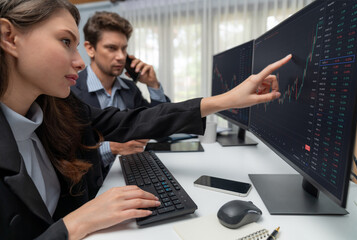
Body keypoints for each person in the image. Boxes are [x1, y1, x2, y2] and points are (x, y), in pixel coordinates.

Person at [0, 0, 291, 239]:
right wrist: (73, 225)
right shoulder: (69, 93)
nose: (77, 61)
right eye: (65, 41)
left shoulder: (58, 107)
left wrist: (227, 100)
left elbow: (137, 121)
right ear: (9, 37)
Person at [72, 11, 170, 173]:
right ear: (90, 49)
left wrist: (153, 85)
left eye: (124, 49)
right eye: (112, 48)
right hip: (95, 184)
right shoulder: (71, 91)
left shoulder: (130, 89)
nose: (120, 57)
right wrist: (112, 148)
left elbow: (160, 129)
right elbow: (68, 155)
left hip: (133, 170)